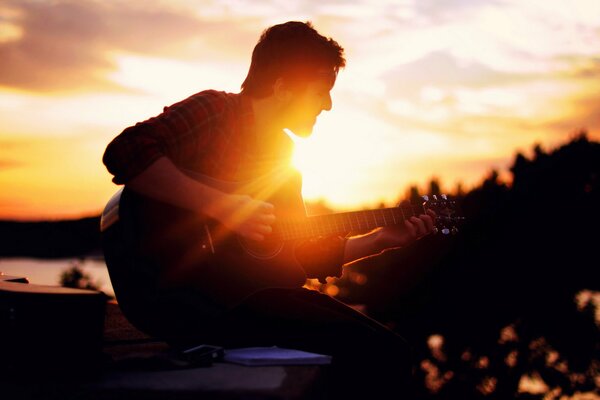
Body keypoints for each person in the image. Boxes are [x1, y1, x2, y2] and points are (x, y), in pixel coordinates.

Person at [102, 21, 435, 398]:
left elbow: (296, 253)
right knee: (377, 355)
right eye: (322, 91)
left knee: (395, 352)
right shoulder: (216, 111)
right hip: (175, 300)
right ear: (282, 86)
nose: (328, 104)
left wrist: (379, 239)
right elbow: (124, 151)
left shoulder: (283, 156)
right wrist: (223, 207)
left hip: (241, 302)